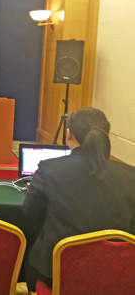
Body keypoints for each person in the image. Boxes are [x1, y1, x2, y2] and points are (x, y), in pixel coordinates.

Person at [22, 107, 135, 291]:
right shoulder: (131, 176)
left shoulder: (49, 169)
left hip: (56, 276)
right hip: (115, 277)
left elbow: (30, 213)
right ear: (107, 136)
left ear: (68, 134)